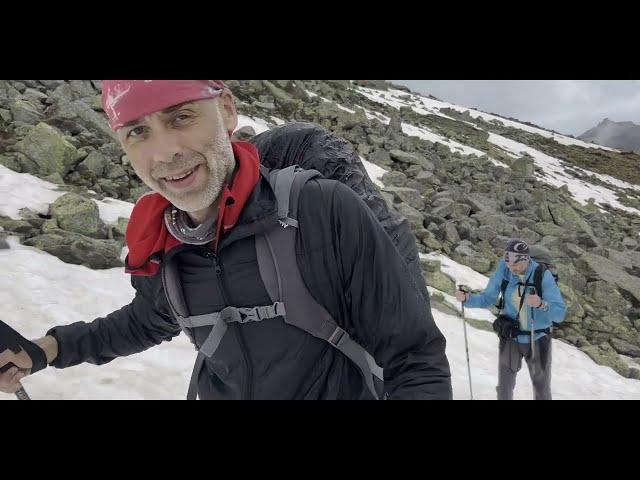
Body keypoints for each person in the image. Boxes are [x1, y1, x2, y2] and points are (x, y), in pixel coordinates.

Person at [0, 80, 452, 400]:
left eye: (181, 117)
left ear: (228, 111)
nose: (165, 152)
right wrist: (46, 351)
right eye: (138, 131)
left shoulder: (321, 210)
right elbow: (147, 321)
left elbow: (413, 358)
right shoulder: (169, 240)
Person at [455, 239, 566, 400]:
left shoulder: (542, 275)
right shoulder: (505, 269)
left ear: (526, 260)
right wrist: (467, 299)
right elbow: (488, 298)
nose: (512, 269)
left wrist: (542, 304)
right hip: (511, 336)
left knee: (541, 390)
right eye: (508, 265)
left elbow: (560, 314)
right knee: (504, 389)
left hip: (538, 337)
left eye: (516, 266)